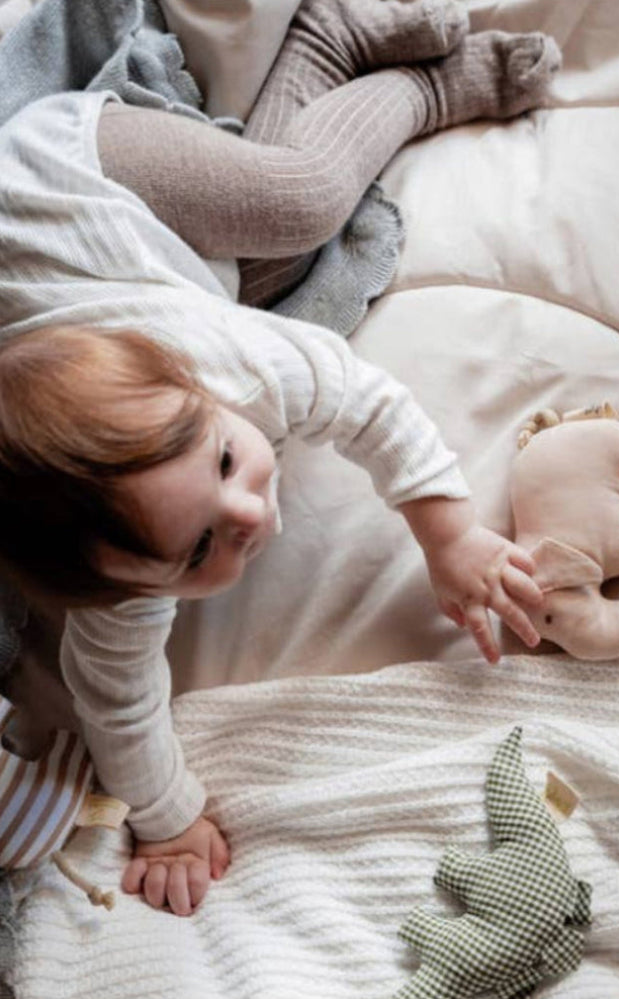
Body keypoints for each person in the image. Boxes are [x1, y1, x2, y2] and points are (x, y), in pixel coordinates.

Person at [0, 0, 559, 916]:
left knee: (295, 203)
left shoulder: (233, 365)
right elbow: (120, 705)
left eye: (225, 461)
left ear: (195, 390)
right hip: (115, 283)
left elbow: (364, 398)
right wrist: (170, 819)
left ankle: (387, 61)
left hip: (61, 178)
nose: (251, 514)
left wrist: (448, 535)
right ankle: (316, 56)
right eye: (196, 551)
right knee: (258, 275)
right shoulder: (115, 581)